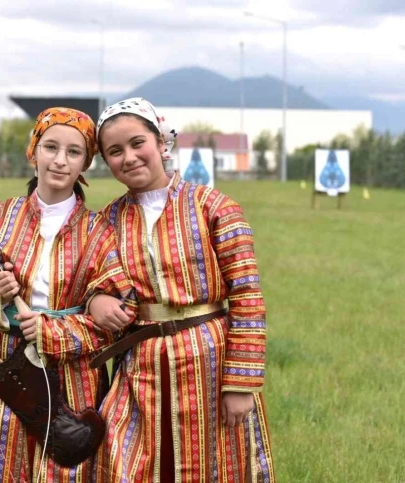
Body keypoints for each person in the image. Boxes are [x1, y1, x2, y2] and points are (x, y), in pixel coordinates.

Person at [88, 97, 275, 482]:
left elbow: (247, 298)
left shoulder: (215, 207)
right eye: (115, 151)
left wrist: (240, 383)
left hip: (208, 360)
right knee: (124, 460)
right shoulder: (106, 220)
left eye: (138, 143)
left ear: (161, 142)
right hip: (140, 365)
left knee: (214, 465)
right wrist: (97, 299)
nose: (130, 157)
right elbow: (93, 280)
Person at [0, 107, 136, 483]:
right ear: (33, 151)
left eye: (73, 152)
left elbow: (114, 319)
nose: (60, 161)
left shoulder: (100, 232)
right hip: (5, 369)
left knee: (68, 469)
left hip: (75, 376)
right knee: (0, 464)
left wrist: (49, 331)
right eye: (51, 147)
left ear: (86, 163)